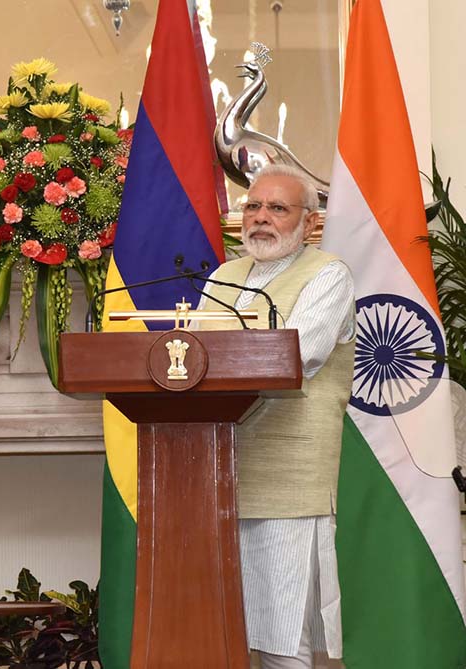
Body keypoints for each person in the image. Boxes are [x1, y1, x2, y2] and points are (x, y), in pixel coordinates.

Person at [197, 164, 355, 669]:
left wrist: (217, 356)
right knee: (221, 632)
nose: (261, 218)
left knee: (283, 640)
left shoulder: (328, 273)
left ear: (309, 223)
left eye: (277, 208)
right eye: (253, 206)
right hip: (216, 475)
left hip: (288, 480)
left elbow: (298, 353)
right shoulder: (224, 275)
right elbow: (191, 355)